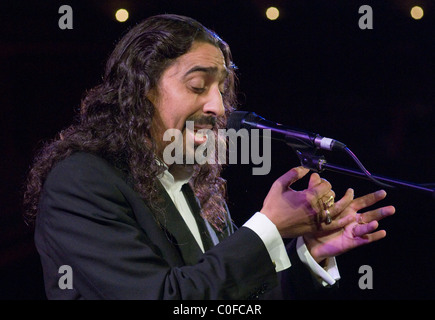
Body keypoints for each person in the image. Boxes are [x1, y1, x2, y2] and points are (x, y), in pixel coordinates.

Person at [23, 14, 395, 300]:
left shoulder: (189, 184)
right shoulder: (82, 182)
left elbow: (226, 297)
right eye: (198, 86)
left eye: (222, 89)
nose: (218, 106)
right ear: (141, 91)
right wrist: (268, 227)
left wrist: (307, 255)